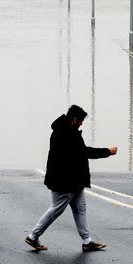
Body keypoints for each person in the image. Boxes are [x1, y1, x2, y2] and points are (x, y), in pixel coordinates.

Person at [25, 105, 118, 252]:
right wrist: (108, 151)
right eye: (81, 121)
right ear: (75, 120)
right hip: (65, 182)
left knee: (80, 209)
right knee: (56, 209)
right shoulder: (66, 134)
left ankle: (87, 241)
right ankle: (33, 236)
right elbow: (85, 152)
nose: (82, 124)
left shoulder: (65, 130)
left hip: (73, 181)